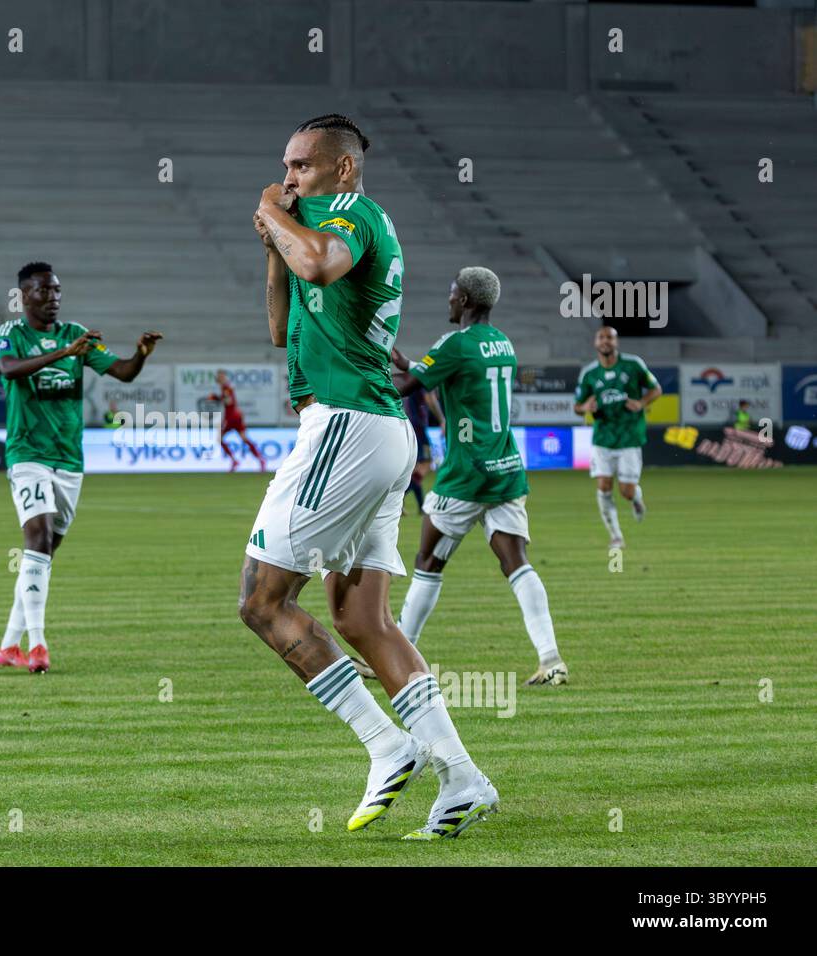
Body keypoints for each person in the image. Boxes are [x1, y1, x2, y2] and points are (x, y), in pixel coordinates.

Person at [244, 114, 498, 841]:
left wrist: (269, 207)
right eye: (284, 168)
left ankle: (387, 745)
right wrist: (272, 245)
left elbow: (320, 265)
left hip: (346, 424)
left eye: (301, 167)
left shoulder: (351, 214)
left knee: (262, 603)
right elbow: (279, 323)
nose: (290, 178)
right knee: (362, 619)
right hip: (378, 430)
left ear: (343, 169)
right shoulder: (317, 225)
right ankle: (463, 778)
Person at [392, 268, 569, 687]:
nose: (449, 300)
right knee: (517, 564)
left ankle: (396, 653)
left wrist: (361, 372)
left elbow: (408, 387)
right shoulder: (500, 341)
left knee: (428, 561)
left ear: (467, 301)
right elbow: (455, 371)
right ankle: (551, 658)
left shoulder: (455, 342)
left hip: (466, 472)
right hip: (505, 467)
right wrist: (412, 362)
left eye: (453, 293)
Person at [0, 261, 163, 673]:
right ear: (24, 296)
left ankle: (8, 647)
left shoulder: (75, 334)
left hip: (69, 460)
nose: (53, 298)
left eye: (57, 291)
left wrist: (139, 354)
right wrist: (64, 355)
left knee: (44, 551)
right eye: (44, 291)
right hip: (27, 453)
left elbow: (121, 372)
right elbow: (8, 369)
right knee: (37, 536)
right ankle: (38, 646)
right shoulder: (11, 335)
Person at [573, 326, 662, 549]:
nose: (606, 341)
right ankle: (616, 536)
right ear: (595, 343)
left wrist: (641, 403)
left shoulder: (633, 365)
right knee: (603, 485)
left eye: (610, 337)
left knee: (626, 491)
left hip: (629, 437)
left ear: (616, 342)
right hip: (603, 438)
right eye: (601, 337)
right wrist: (585, 406)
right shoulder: (589, 374)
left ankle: (636, 499)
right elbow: (577, 406)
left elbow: (656, 389)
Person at [208, 370, 266, 472]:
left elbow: (228, 401)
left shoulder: (226, 388)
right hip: (237, 415)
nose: (219, 379)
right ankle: (261, 459)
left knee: (219, 439)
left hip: (231, 417)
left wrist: (216, 398)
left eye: (221, 377)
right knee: (244, 439)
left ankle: (235, 460)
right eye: (219, 377)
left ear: (224, 378)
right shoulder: (227, 387)